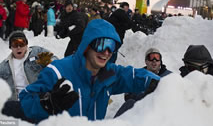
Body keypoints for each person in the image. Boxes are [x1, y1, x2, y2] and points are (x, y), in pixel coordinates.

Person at [19, 19, 160, 122]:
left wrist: (159, 82)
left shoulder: (108, 74)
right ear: (87, 45)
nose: (106, 52)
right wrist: (47, 104)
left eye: (111, 46)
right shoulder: (58, 71)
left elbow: (132, 76)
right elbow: (24, 100)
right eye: (101, 44)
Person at [0, 31, 58, 123]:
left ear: (26, 45)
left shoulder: (37, 53)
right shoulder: (3, 66)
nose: (19, 47)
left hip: (38, 99)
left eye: (21, 43)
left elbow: (56, 63)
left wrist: (49, 63)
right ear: (10, 47)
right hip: (16, 103)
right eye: (15, 44)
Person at [115, 48, 172, 118]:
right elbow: (128, 96)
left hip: (161, 112)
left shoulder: (169, 76)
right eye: (151, 57)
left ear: (160, 61)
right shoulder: (138, 76)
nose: (154, 61)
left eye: (157, 58)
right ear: (146, 61)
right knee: (130, 102)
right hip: (141, 111)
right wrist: (145, 93)